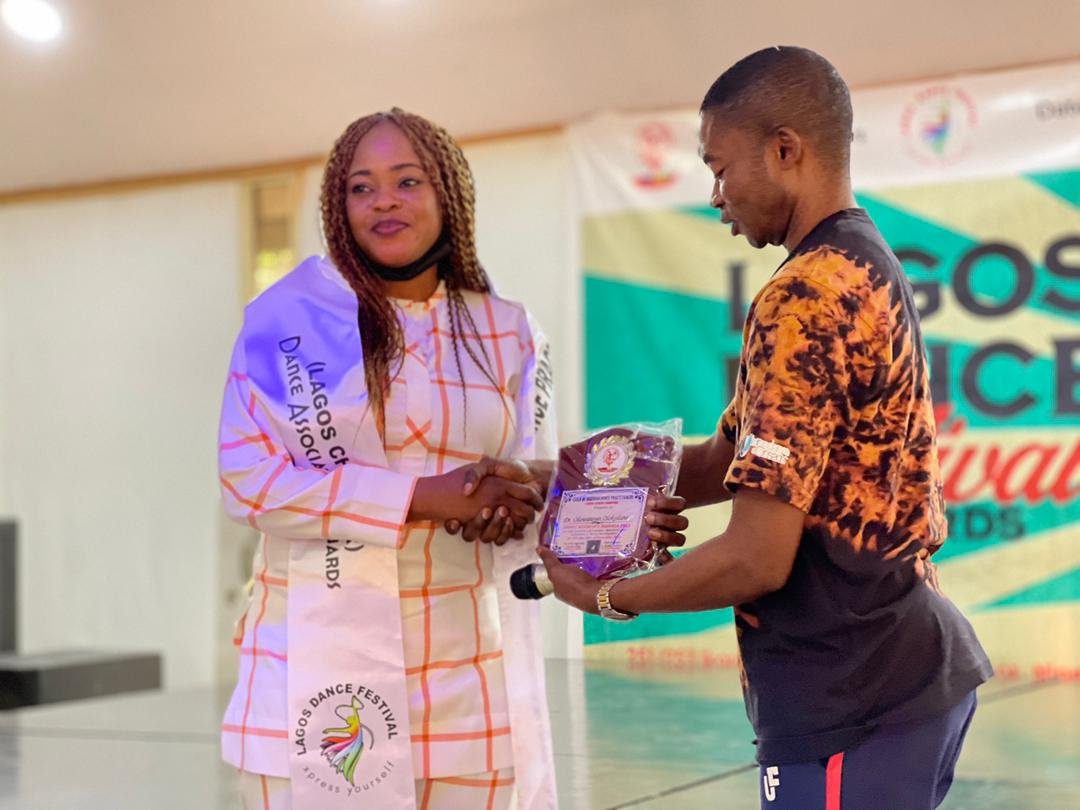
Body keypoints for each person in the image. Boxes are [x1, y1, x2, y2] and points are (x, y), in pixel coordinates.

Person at [532, 47, 993, 809]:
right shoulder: (860, 264)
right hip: (898, 678)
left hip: (854, 693)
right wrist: (560, 482)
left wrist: (608, 595)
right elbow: (727, 458)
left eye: (720, 169)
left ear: (785, 150)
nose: (716, 197)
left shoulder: (803, 297)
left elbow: (755, 559)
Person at [217, 108, 558, 809]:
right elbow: (249, 483)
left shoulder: (507, 330)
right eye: (361, 188)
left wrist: (510, 502)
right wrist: (422, 499)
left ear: (448, 194)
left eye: (407, 181)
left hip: (467, 679)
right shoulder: (287, 323)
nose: (384, 202)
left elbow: (528, 472)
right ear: (337, 207)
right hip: (311, 674)